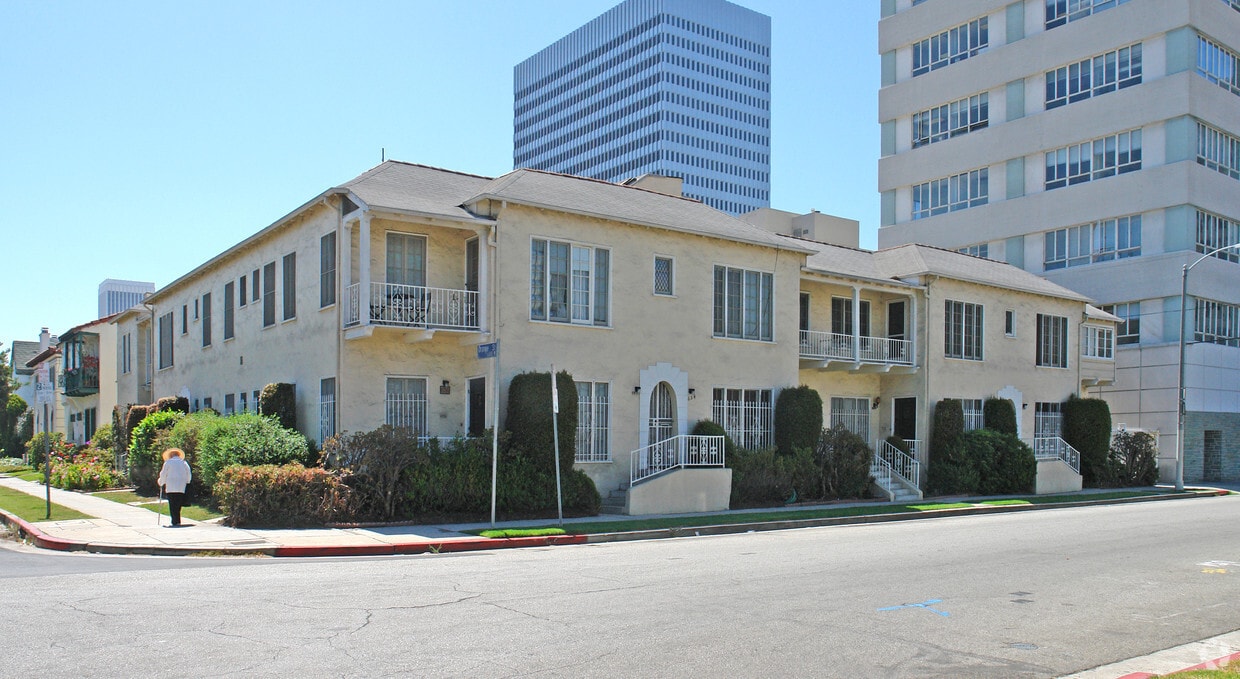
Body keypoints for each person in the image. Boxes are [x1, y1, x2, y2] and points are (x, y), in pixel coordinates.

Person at [157, 448, 192, 527]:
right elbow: (188, 474)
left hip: (170, 486)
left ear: (170, 455)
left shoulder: (168, 463)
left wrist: (161, 482)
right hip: (181, 486)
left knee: (172, 503)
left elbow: (163, 474)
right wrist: (187, 482)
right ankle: (177, 520)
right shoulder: (184, 463)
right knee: (178, 503)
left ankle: (174, 521)